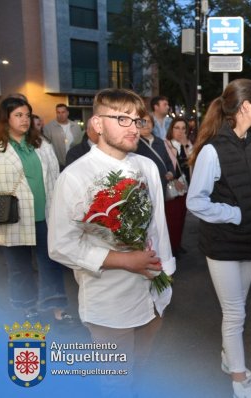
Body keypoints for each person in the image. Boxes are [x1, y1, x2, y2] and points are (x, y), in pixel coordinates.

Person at [48, 88, 175, 398]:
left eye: (138, 119)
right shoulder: (76, 176)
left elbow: (158, 225)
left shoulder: (146, 167)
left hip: (152, 292)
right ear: (98, 124)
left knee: (139, 367)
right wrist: (124, 260)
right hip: (108, 298)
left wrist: (166, 273)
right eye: (122, 119)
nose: (133, 127)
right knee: (114, 380)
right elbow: (60, 244)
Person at [186, 79, 251, 398]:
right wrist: (233, 214)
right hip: (222, 244)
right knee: (235, 313)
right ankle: (239, 381)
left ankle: (227, 358)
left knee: (239, 309)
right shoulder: (212, 150)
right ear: (245, 107)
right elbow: (196, 201)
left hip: (249, 242)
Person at [0, 97, 73, 324]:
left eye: (27, 115)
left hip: (44, 216)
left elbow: (55, 178)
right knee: (19, 268)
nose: (24, 120)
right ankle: (26, 307)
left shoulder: (41, 145)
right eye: (18, 115)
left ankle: (56, 306)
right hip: (13, 218)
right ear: (6, 118)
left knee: (50, 263)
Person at [135, 113, 186, 257]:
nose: (146, 125)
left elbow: (168, 161)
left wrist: (170, 171)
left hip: (163, 186)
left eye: (149, 122)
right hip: (146, 187)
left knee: (163, 219)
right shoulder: (136, 143)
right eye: (142, 122)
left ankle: (166, 249)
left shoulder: (160, 141)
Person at [162, 117, 189, 254]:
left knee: (181, 219)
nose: (180, 131)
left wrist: (186, 146)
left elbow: (190, 165)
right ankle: (171, 248)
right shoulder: (165, 145)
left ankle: (177, 244)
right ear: (171, 129)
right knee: (171, 220)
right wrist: (173, 179)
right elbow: (165, 167)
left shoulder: (188, 145)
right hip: (172, 188)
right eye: (177, 128)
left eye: (183, 128)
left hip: (186, 189)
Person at [42, 103, 83, 169]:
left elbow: (80, 144)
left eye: (63, 112)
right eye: (58, 112)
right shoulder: (49, 127)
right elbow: (45, 146)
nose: (60, 115)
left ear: (67, 113)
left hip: (75, 163)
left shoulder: (75, 126)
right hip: (58, 165)